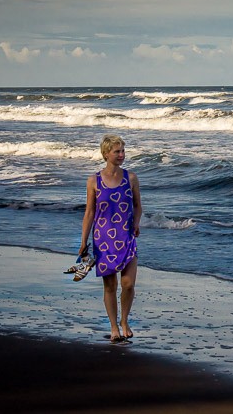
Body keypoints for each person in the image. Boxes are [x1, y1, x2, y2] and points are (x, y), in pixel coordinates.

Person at [80, 134, 142, 344]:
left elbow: (137, 206)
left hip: (126, 236)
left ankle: (125, 321)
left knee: (128, 284)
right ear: (106, 153)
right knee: (110, 286)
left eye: (123, 151)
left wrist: (136, 223)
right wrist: (83, 241)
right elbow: (89, 213)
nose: (121, 155)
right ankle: (114, 327)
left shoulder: (131, 178)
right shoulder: (93, 181)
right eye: (117, 151)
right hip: (103, 238)